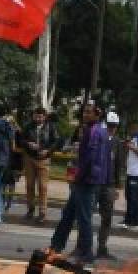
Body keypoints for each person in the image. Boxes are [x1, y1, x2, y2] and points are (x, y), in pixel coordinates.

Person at [49, 103, 111, 264]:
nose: (85, 115)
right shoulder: (102, 131)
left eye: (89, 113)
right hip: (90, 179)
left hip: (87, 180)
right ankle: (56, 246)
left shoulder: (93, 132)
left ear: (98, 115)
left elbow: (89, 159)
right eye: (84, 112)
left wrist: (79, 176)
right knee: (69, 214)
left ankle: (85, 252)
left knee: (83, 217)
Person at [20, 106, 60, 223]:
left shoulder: (51, 127)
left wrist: (48, 150)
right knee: (30, 185)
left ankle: (43, 212)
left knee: (43, 186)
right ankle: (30, 209)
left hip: (44, 158)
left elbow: (57, 141)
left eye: (41, 116)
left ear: (45, 117)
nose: (38, 118)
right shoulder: (28, 126)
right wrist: (28, 144)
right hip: (29, 158)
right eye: (36, 116)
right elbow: (21, 139)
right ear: (33, 116)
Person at [94, 111, 123, 262]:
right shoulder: (98, 138)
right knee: (86, 216)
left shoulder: (117, 142)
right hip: (95, 183)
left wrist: (118, 186)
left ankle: (102, 248)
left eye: (115, 126)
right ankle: (83, 247)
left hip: (109, 184)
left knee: (107, 217)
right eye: (110, 125)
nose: (112, 128)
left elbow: (119, 164)